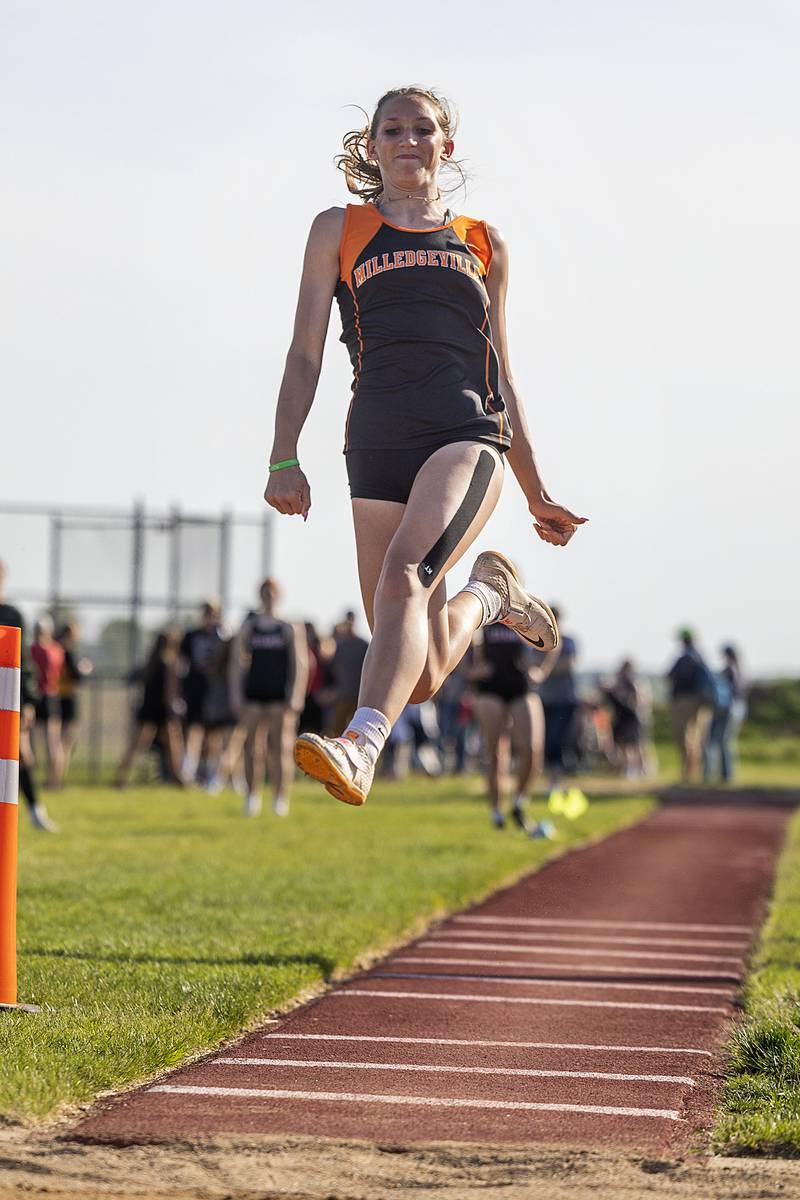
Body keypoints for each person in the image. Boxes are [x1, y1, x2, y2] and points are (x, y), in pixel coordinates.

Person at [264, 86, 586, 807]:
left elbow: (500, 366)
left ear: (445, 146)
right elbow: (304, 354)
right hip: (375, 441)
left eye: (423, 128)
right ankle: (489, 594)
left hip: (466, 435)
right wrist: (284, 454)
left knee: (406, 571)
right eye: (393, 128)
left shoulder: (482, 240)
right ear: (372, 146)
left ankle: (361, 743)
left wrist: (535, 491)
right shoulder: (336, 229)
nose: (408, 139)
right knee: (423, 672)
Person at [225, 579, 308, 817]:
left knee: (280, 748)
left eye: (272, 592)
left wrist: (296, 695)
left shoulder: (288, 627)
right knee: (252, 747)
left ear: (279, 595)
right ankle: (252, 795)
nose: (268, 596)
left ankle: (281, 797)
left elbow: (300, 664)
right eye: (264, 592)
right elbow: (237, 662)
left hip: (279, 697)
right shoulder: (250, 627)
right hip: (254, 694)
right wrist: (236, 694)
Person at [469, 620, 547, 833]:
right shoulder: (486, 611)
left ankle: (519, 803)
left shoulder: (524, 613)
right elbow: (460, 637)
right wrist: (471, 670)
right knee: (495, 754)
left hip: (520, 686)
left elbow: (553, 638)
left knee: (532, 750)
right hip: (490, 687)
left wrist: (541, 670)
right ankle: (496, 813)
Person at [0, 559, 57, 830]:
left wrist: (29, 703)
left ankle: (35, 810)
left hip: (7, 698)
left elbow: (22, 664)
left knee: (21, 755)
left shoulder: (12, 615)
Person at [116, 630, 185, 787]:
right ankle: (178, 776)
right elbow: (170, 691)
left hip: (148, 708)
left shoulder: (151, 663)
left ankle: (178, 776)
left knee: (144, 745)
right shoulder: (170, 664)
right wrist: (174, 708)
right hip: (161, 710)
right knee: (173, 744)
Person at [178, 600, 227, 783]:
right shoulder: (191, 636)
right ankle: (188, 772)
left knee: (215, 735)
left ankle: (213, 776)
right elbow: (181, 664)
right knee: (194, 730)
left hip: (216, 692)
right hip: (195, 690)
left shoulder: (223, 636)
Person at [667, 628, 713, 782]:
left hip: (684, 701)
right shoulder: (701, 657)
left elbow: (669, 675)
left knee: (685, 737)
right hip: (700, 703)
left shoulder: (684, 659)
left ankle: (687, 773)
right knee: (696, 737)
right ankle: (694, 772)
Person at [54, 620, 93, 786]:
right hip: (67, 697)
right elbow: (77, 676)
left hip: (57, 697)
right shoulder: (67, 652)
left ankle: (56, 778)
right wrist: (85, 668)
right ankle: (56, 779)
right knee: (66, 742)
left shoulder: (54, 649)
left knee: (61, 741)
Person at [30, 616, 65, 789]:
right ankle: (54, 779)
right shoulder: (57, 649)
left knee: (30, 740)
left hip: (37, 696)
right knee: (53, 742)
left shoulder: (34, 649)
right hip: (51, 695)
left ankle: (34, 777)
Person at [703, 644, 745, 783]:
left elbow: (723, 691)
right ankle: (724, 774)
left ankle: (723, 774)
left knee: (719, 741)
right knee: (724, 741)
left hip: (726, 708)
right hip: (736, 708)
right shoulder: (738, 670)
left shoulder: (729, 670)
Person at [329, 611, 369, 732]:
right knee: (338, 729)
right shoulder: (340, 646)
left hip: (360, 695)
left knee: (359, 730)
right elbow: (334, 668)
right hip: (343, 694)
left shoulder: (363, 644)